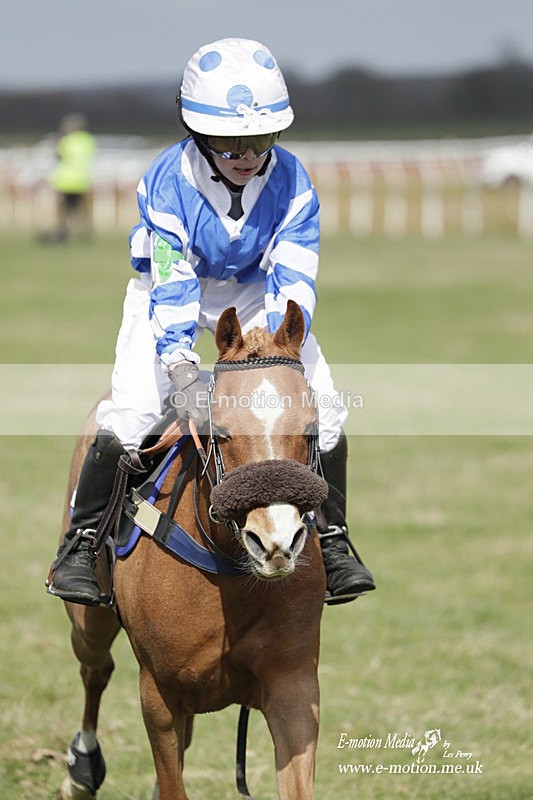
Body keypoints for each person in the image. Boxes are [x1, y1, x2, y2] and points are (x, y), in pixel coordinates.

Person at [47, 38, 375, 607]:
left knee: (325, 405)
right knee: (130, 412)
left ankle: (335, 540)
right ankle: (79, 548)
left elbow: (294, 274)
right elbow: (174, 280)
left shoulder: (295, 180)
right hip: (170, 292)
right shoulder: (167, 180)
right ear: (196, 130)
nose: (247, 153)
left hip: (255, 298)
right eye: (229, 141)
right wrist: (179, 363)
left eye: (262, 138)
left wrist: (276, 351)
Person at [47, 113, 97, 241]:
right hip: (82, 178)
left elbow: (58, 156)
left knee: (62, 208)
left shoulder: (65, 140)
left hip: (64, 179)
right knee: (84, 208)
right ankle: (86, 232)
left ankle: (62, 231)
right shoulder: (88, 140)